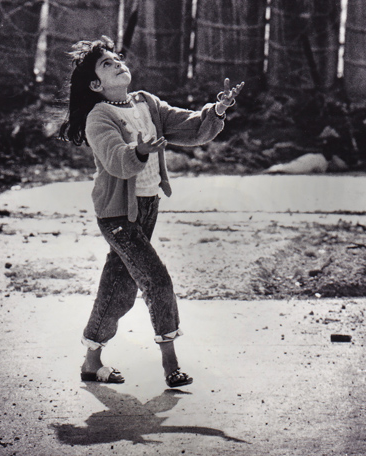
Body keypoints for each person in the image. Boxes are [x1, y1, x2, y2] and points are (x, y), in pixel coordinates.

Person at [59, 36, 243, 389]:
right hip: (117, 216)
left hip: (146, 208)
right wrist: (139, 150)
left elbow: (189, 127)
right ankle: (170, 365)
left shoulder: (146, 103)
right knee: (156, 280)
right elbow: (117, 161)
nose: (117, 64)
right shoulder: (100, 116)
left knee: (119, 288)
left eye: (117, 58)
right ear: (96, 85)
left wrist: (216, 110)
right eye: (107, 64)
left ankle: (91, 362)